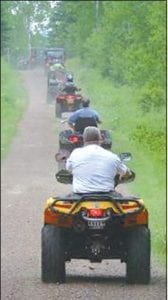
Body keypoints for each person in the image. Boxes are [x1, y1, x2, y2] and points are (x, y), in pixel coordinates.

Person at [66, 126, 133, 194]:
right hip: (107, 196)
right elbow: (127, 173)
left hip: (80, 195)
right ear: (100, 139)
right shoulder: (112, 156)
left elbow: (69, 169)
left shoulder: (76, 153)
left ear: (84, 139)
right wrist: (122, 177)